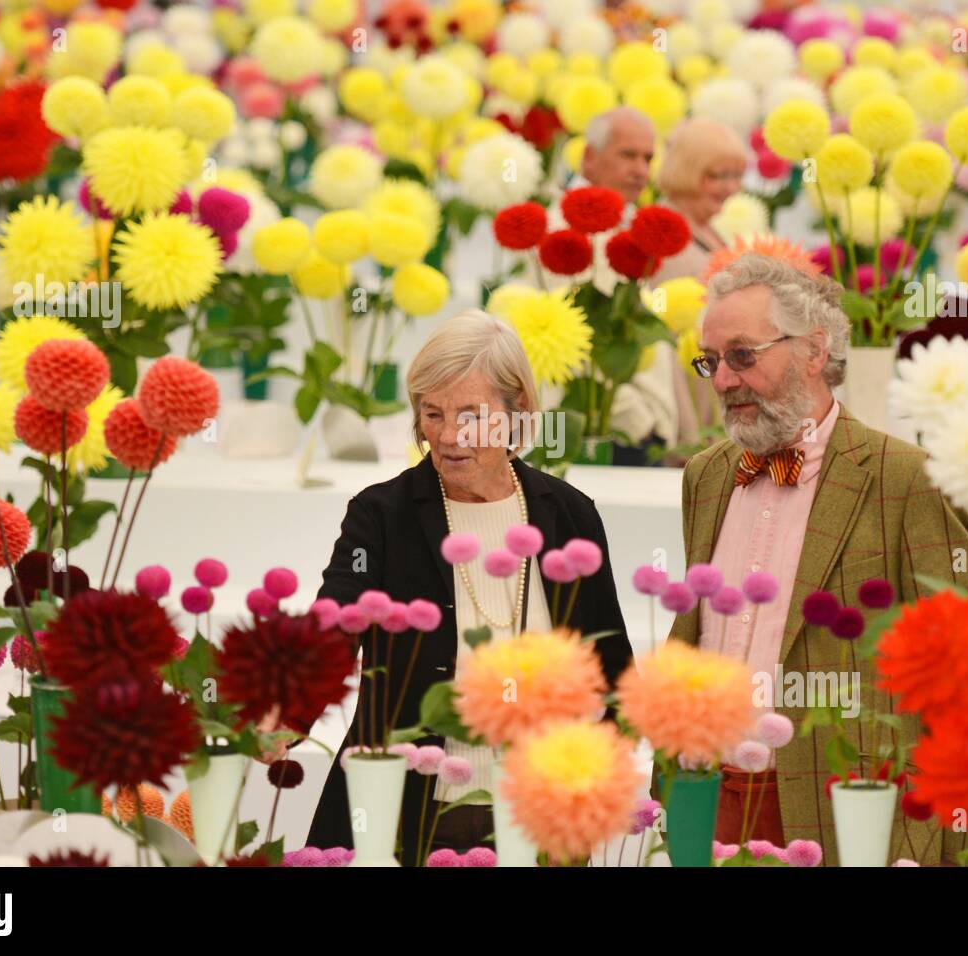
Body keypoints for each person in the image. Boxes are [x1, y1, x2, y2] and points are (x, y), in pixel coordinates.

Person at [667, 253, 968, 866]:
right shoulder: (705, 476)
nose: (723, 381)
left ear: (814, 351)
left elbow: (965, 682)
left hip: (845, 812)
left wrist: (929, 839)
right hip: (707, 797)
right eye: (711, 361)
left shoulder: (907, 479)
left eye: (742, 355)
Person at [305, 310, 634, 864]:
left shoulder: (569, 516)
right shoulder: (381, 516)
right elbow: (329, 635)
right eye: (432, 413)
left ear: (516, 414)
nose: (449, 435)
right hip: (407, 810)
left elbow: (610, 664)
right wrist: (277, 713)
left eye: (471, 416)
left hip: (539, 815)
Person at [548, 108, 674, 465]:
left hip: (633, 428)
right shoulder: (563, 231)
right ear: (589, 157)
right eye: (628, 155)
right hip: (599, 431)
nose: (640, 170)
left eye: (648, 158)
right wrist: (636, 422)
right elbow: (573, 339)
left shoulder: (629, 220)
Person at [652, 117, 749, 457]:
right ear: (685, 171)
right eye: (716, 176)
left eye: (735, 176)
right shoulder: (668, 238)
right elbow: (672, 348)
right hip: (693, 409)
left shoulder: (705, 229)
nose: (729, 188)